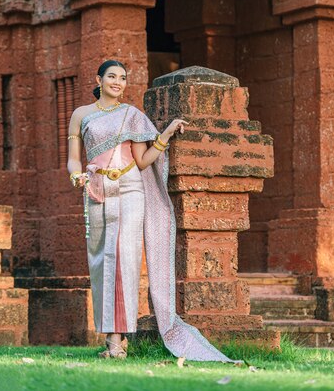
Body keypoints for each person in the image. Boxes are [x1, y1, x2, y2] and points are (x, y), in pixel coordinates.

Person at [67, 59, 237, 362]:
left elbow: (143, 161)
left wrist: (166, 134)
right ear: (99, 79)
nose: (117, 82)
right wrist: (75, 175)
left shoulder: (131, 115)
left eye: (122, 78)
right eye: (111, 76)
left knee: (124, 261)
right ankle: (112, 336)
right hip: (95, 191)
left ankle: (115, 342)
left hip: (131, 190)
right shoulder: (82, 115)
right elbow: (73, 158)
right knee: (100, 263)